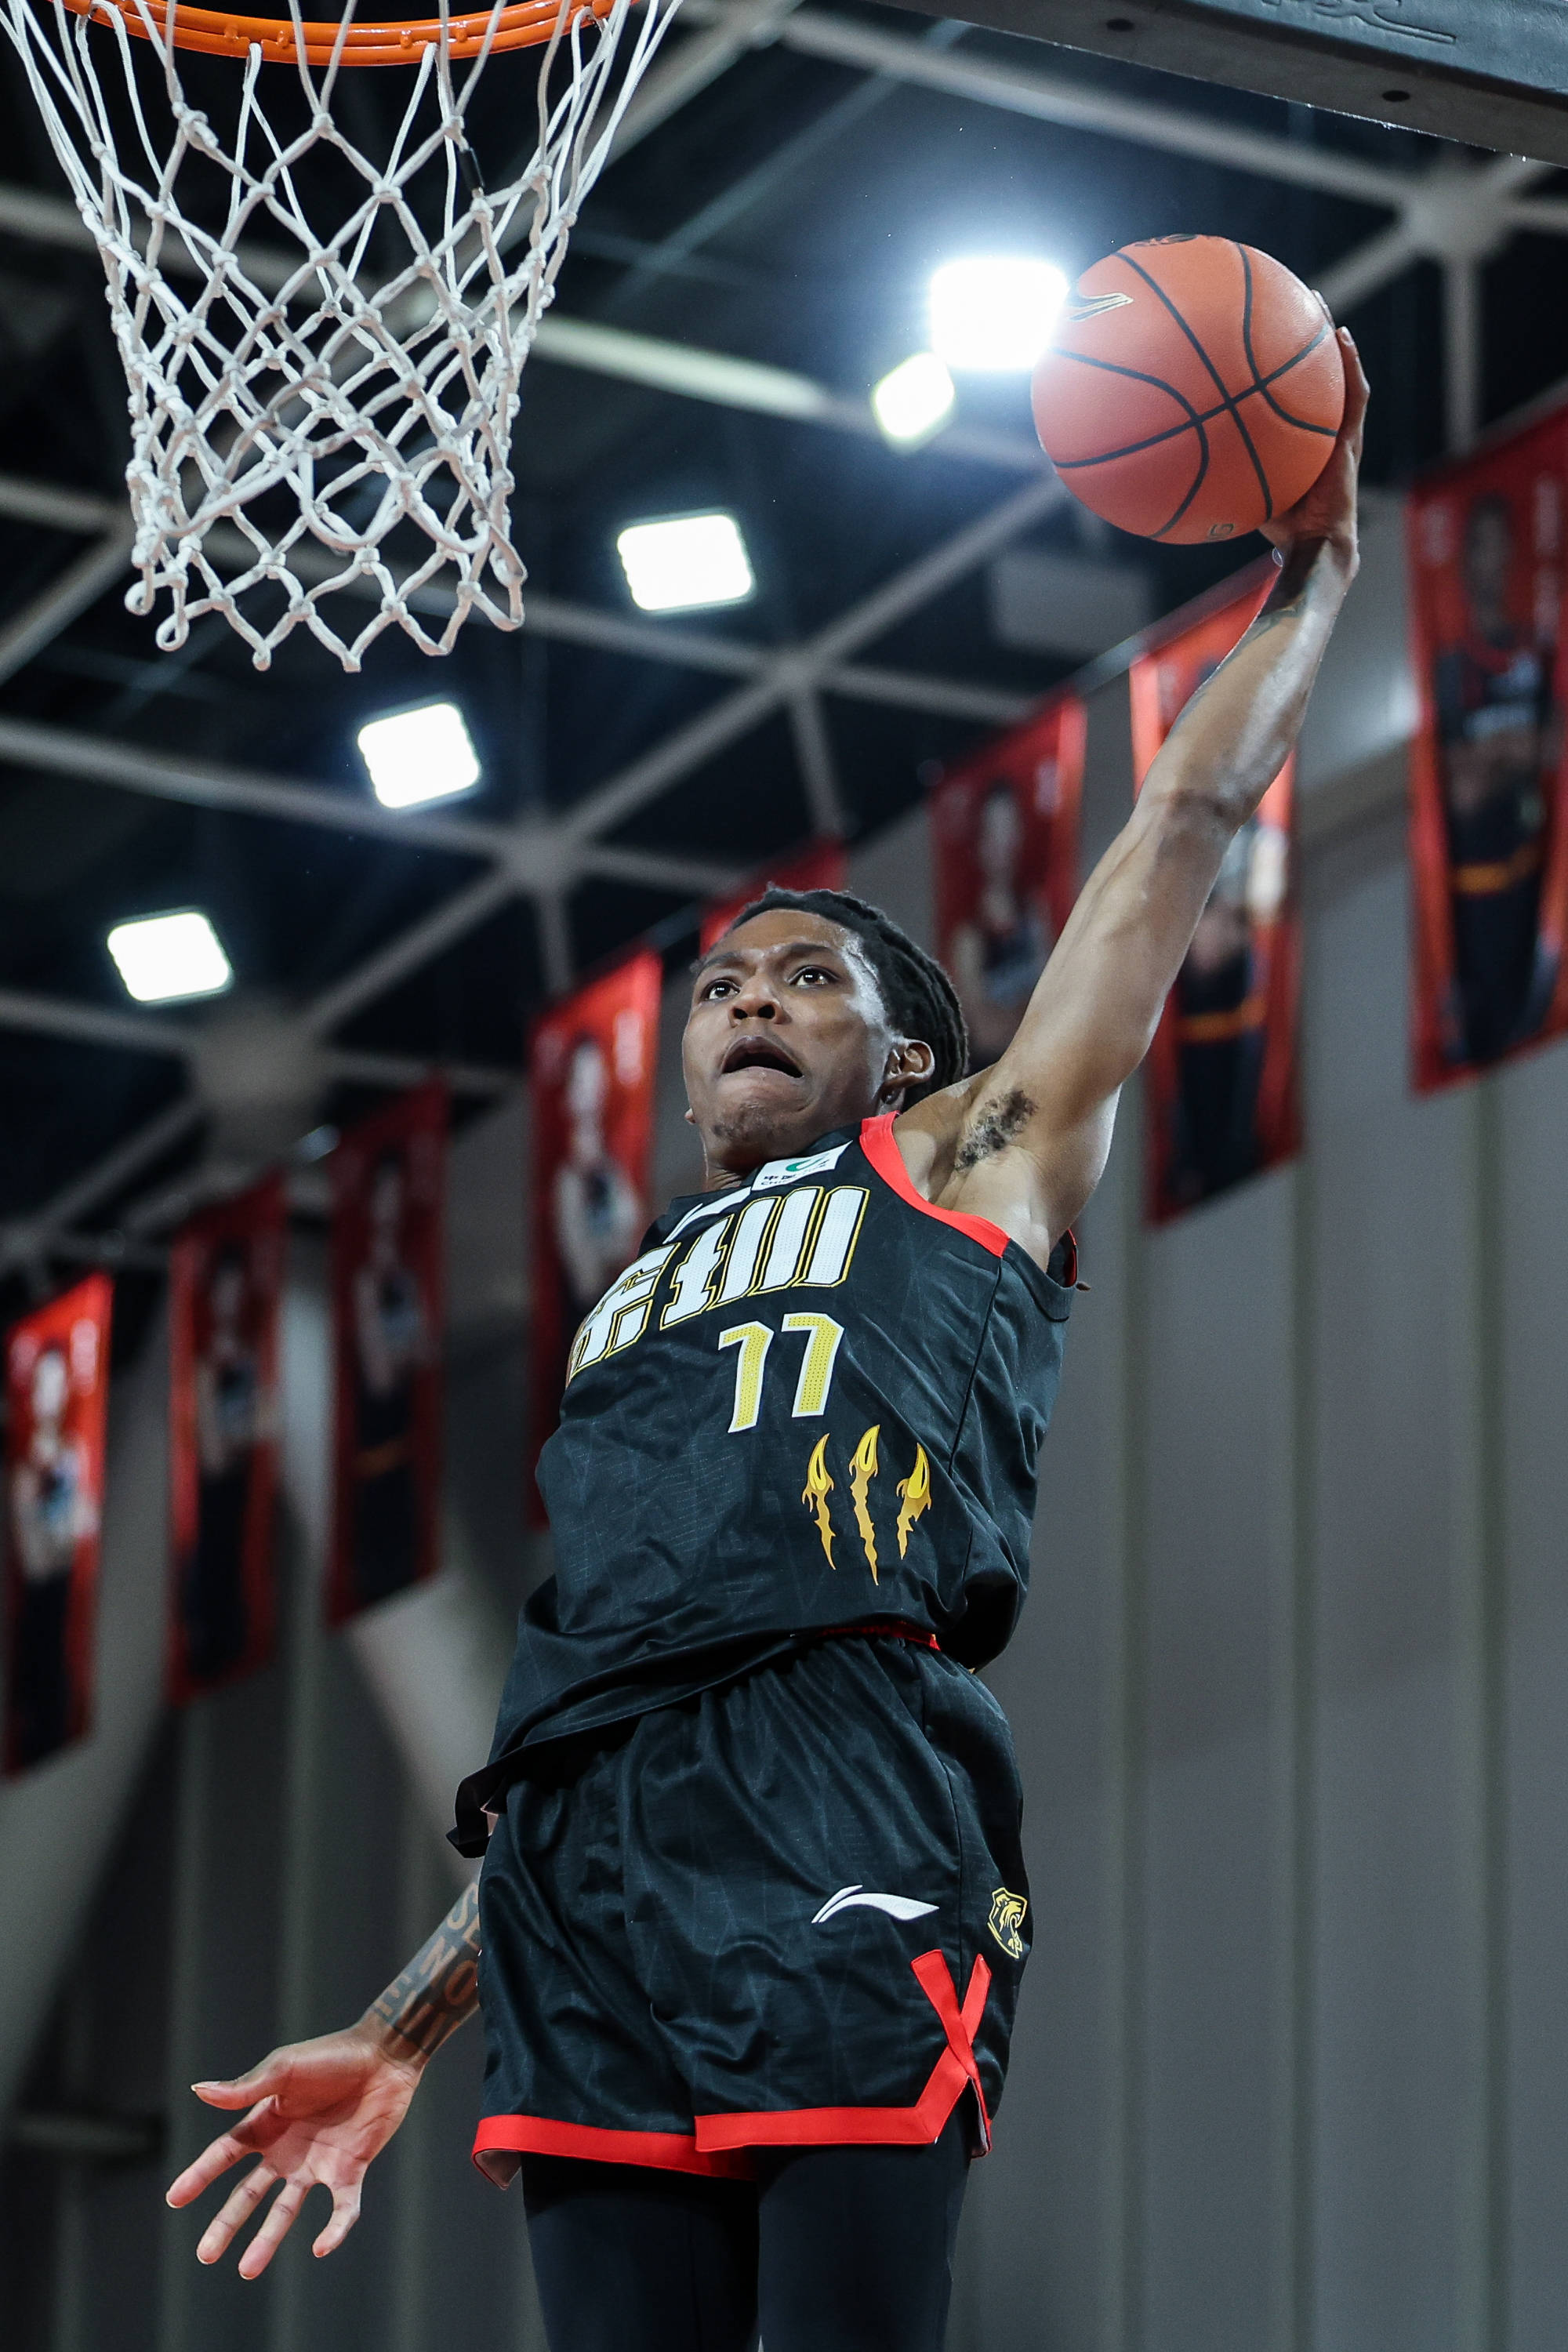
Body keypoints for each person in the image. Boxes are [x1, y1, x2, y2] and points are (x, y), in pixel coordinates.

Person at [167, 328, 1368, 2352]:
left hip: (847, 1789)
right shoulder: (629, 1310)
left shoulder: (967, 1163)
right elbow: (596, 1709)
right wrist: (397, 2027)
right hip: (587, 1875)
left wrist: (1317, 573)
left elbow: (1175, 825)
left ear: (900, 1056)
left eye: (805, 978)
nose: (744, 999)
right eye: (723, 984)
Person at [1434, 490, 1559, 1064]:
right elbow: (1461, 791)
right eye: (1484, 546)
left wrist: (1494, 755)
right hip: (1477, 893)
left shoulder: (1533, 649)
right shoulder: (1453, 667)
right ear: (1467, 561)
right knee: (1489, 1044)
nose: (1497, 558)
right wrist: (1518, 752)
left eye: (1504, 545)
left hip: (1535, 879)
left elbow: (1553, 747)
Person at [1166, 811, 1289, 1207]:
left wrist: (1228, 916)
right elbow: (1202, 952)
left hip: (1243, 1030)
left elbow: (1264, 914)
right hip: (1193, 1041)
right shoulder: (1187, 834)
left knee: (1241, 1140)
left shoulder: (1262, 836)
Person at [347, 1146, 430, 1608]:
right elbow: (381, 1374)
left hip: (407, 1451)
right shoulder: (367, 1281)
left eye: (397, 1197)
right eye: (384, 1197)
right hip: (375, 1457)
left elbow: (424, 1351)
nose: (390, 1209)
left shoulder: (406, 1277)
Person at [9, 1342, 97, 1767]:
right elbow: (35, 1559)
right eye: (45, 1384)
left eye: (58, 1383)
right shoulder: (25, 1467)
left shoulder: (72, 1455)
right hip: (38, 1605)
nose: (52, 1393)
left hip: (62, 1599)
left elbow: (85, 1520)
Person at [180, 1241, 264, 1685]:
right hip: (213, 1496)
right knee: (215, 1570)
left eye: (237, 1290)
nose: (231, 1300)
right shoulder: (206, 1364)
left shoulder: (248, 1357)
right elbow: (214, 1454)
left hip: (241, 1490)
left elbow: (261, 1424)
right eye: (224, 1291)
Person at [947, 777, 1054, 1065]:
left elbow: (1057, 995)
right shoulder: (969, 936)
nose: (1005, 845)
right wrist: (1030, 1015)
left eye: (1010, 829)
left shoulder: (1034, 911)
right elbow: (985, 1033)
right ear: (980, 843)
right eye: (995, 832)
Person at [551, 1033, 644, 1317]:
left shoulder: (614, 1167)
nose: (590, 1093)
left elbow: (630, 1230)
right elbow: (579, 1256)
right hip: (588, 1309)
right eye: (581, 1081)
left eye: (596, 1078)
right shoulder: (568, 1178)